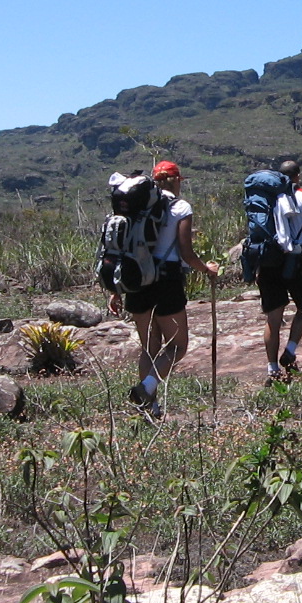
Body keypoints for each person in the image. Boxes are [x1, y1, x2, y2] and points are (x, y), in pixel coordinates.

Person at [107, 160, 219, 419]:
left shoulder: (136, 207)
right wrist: (206, 269)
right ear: (178, 180)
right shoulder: (180, 207)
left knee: (149, 348)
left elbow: (120, 248)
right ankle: (146, 388)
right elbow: (186, 252)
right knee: (178, 346)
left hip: (135, 280)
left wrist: (116, 290)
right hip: (166, 280)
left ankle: (150, 408)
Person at [260, 158, 302, 380]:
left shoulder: (266, 198)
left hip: (269, 259)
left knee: (273, 317)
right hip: (297, 257)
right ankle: (289, 350)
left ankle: (272, 368)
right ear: (297, 176)